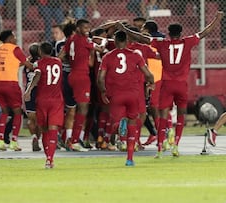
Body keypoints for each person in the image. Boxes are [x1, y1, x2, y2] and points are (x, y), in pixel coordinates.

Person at [119, 11, 224, 158]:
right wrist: (217, 18)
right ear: (180, 34)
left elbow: (142, 38)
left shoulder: (162, 43)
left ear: (168, 33)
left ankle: (160, 148)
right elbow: (205, 32)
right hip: (181, 85)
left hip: (167, 84)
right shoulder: (187, 41)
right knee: (181, 114)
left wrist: (125, 29)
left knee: (162, 115)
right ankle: (176, 145)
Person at [98, 30, 154, 166]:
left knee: (114, 123)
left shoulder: (107, 57)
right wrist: (151, 84)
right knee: (133, 124)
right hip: (133, 95)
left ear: (116, 41)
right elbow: (148, 74)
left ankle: (119, 126)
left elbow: (100, 78)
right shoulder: (135, 55)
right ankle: (129, 159)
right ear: (127, 42)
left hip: (116, 95)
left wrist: (103, 92)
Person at [62, 19, 103, 151]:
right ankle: (74, 141)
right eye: (84, 27)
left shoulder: (69, 40)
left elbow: (61, 56)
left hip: (71, 75)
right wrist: (99, 45)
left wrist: (74, 60)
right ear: (78, 28)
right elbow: (98, 52)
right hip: (81, 77)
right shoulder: (85, 41)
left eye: (88, 27)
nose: (87, 30)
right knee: (83, 109)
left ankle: (68, 138)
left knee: (71, 109)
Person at [24, 42, 64, 169]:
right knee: (53, 129)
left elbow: (37, 74)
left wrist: (29, 90)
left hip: (42, 100)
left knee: (44, 129)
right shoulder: (58, 62)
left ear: (40, 52)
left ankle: (48, 158)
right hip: (56, 100)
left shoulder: (38, 64)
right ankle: (50, 159)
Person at [0, 30, 32, 151]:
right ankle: (13, 141)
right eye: (14, 36)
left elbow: (10, 63)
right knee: (17, 112)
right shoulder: (15, 48)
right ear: (10, 38)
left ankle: (0, 141)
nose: (16, 39)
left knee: (4, 111)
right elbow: (28, 65)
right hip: (11, 83)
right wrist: (34, 64)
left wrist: (23, 62)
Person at [24, 43, 42, 152]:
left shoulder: (27, 64)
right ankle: (38, 139)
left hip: (28, 92)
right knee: (40, 119)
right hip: (39, 92)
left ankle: (33, 137)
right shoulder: (41, 63)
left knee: (31, 119)